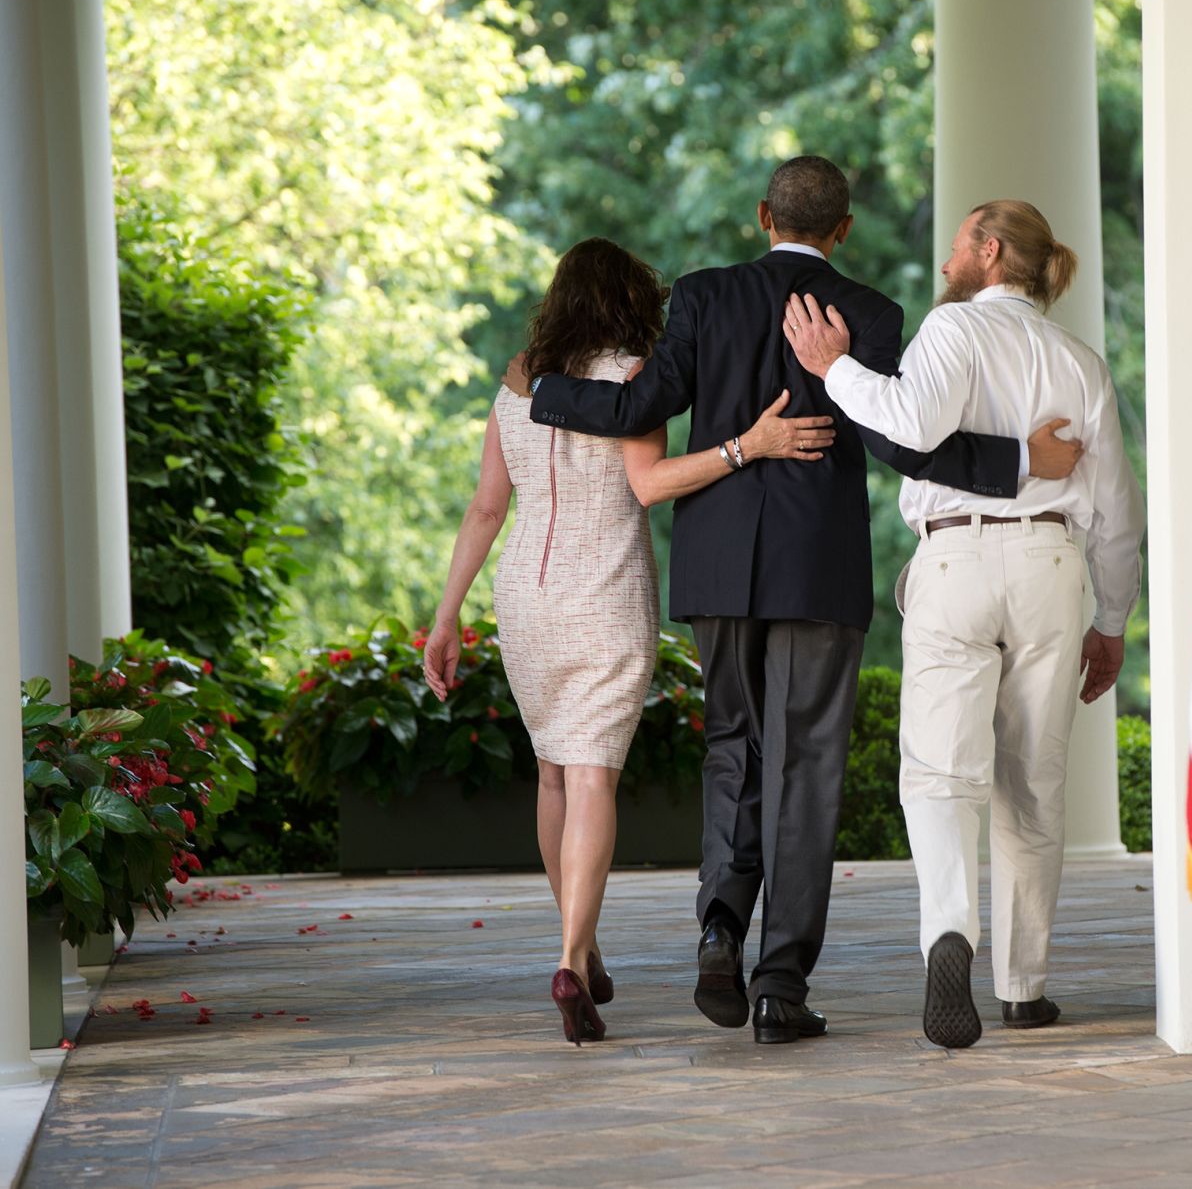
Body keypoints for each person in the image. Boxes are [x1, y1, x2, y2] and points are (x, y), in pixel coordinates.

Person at [527, 158, 1082, 1044]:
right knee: (807, 768)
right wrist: (1020, 464)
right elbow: (911, 441)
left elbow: (641, 401)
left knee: (732, 747)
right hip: (818, 570)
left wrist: (545, 392)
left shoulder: (703, 297)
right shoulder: (870, 313)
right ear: (845, 229)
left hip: (716, 567)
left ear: (761, 216)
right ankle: (780, 986)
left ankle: (718, 929)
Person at [422, 237, 838, 1046]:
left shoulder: (519, 382)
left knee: (552, 773)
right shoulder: (631, 377)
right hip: (606, 592)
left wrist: (446, 616)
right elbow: (649, 485)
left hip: (527, 597)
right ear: (630, 300)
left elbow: (484, 508)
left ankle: (582, 946)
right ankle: (572, 955)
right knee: (593, 777)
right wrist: (745, 446)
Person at [784, 199, 1144, 1049]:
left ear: (989, 253)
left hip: (955, 559)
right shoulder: (1081, 363)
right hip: (1053, 568)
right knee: (1036, 778)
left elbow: (909, 424)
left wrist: (835, 367)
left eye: (956, 248)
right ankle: (1024, 986)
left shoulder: (954, 333)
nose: (946, 263)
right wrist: (1115, 619)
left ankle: (951, 934)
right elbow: (1118, 512)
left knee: (942, 771)